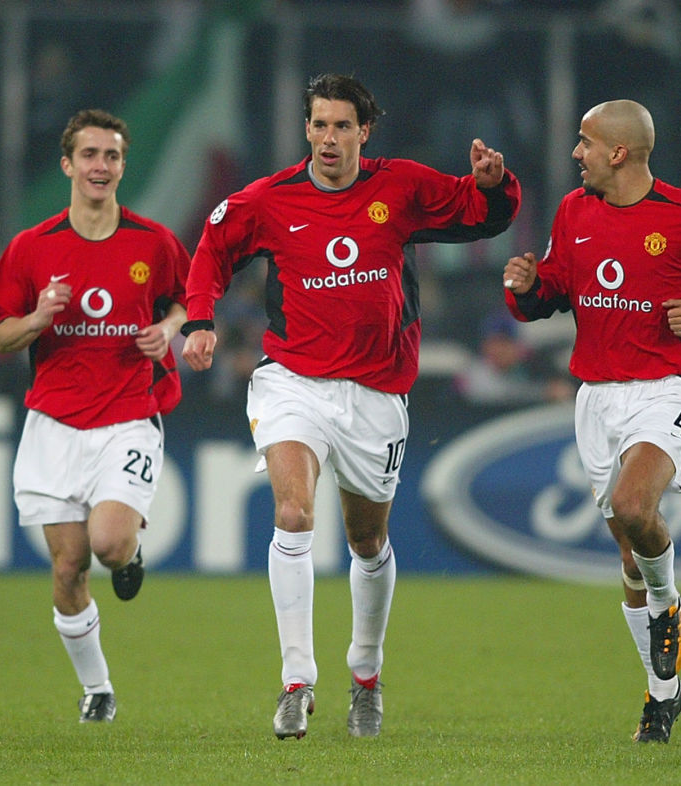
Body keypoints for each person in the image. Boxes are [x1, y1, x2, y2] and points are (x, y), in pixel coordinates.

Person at [182, 73, 520, 740]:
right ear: (305, 129)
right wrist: (199, 321)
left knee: (367, 540)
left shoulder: (402, 188)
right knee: (292, 511)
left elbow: (484, 215)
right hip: (293, 380)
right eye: (319, 125)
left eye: (342, 126)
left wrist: (492, 184)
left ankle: (365, 673)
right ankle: (295, 681)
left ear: (365, 131)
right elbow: (212, 249)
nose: (329, 138)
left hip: (376, 391)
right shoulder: (270, 199)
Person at [502, 99, 681, 744]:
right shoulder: (574, 212)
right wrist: (526, 287)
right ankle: (664, 694)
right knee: (628, 548)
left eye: (585, 142)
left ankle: (669, 606)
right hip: (597, 395)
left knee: (632, 505)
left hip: (668, 388)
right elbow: (556, 291)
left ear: (618, 152)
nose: (576, 153)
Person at [0, 109, 190, 723]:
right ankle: (98, 689)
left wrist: (168, 328)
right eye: (91, 155)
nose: (102, 166)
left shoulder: (152, 241)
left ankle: (130, 556)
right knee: (69, 568)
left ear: (123, 165)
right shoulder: (32, 248)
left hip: (127, 414)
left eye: (113, 156)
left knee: (108, 543)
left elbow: (188, 298)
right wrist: (39, 320)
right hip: (53, 423)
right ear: (68, 165)